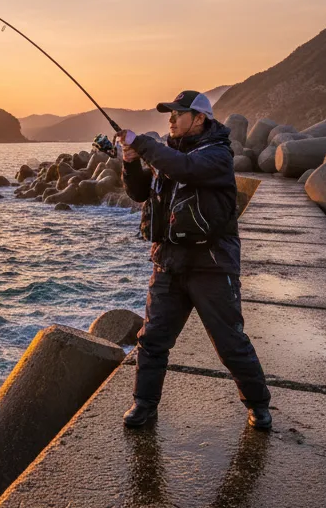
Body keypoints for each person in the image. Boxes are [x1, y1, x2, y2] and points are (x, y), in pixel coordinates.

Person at [115, 90, 272, 430]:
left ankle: (258, 405)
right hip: (169, 261)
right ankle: (144, 404)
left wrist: (141, 143)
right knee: (152, 339)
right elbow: (141, 193)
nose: (170, 120)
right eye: (169, 114)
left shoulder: (215, 156)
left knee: (230, 341)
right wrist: (129, 161)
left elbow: (185, 170)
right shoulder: (170, 153)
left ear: (199, 118)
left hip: (212, 264)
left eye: (178, 114)